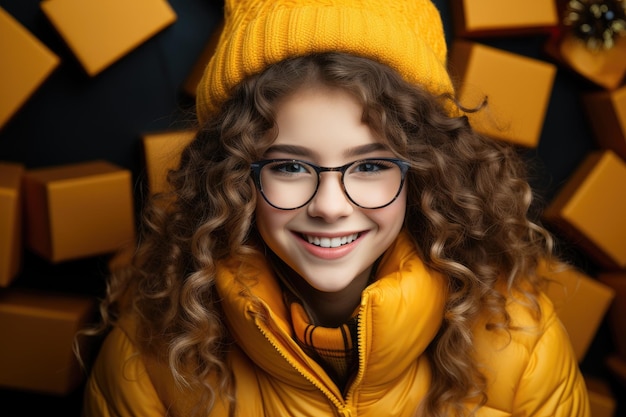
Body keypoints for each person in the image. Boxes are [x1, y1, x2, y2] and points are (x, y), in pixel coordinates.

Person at [79, 0, 591, 416]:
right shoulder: (147, 360)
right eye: (290, 168)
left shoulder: (523, 349)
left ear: (427, 175)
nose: (329, 207)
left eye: (369, 167)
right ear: (234, 179)